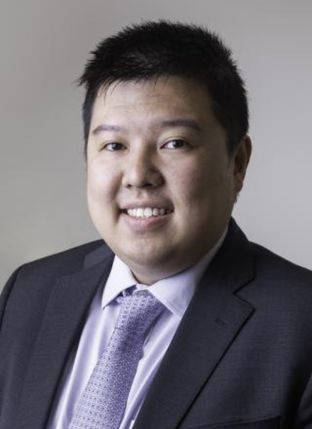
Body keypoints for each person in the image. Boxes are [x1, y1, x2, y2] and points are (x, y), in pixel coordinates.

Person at [1, 20, 312, 429]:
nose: (138, 174)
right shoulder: (28, 294)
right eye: (114, 145)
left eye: (174, 144)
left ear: (237, 162)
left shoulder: (300, 323)